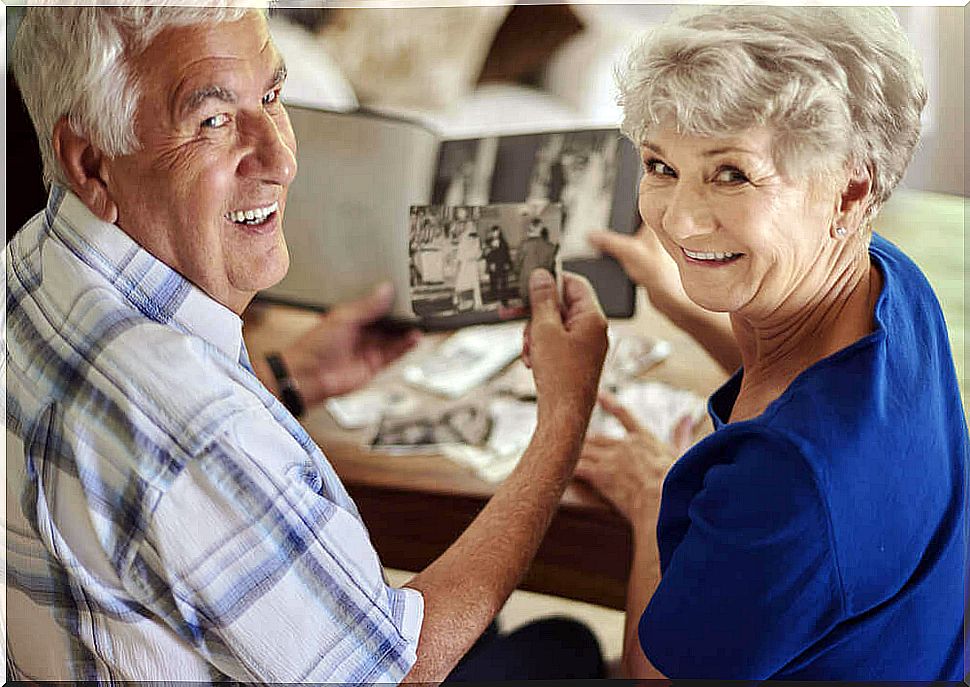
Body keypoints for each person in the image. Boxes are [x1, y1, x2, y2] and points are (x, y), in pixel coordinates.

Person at [6, 7, 610, 683]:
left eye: (270, 97)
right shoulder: (197, 427)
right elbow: (398, 674)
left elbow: (135, 468)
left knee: (478, 621)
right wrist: (564, 421)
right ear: (89, 161)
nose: (283, 159)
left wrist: (292, 375)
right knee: (564, 646)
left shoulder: (27, 261)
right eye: (213, 120)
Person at [580, 6, 968, 681]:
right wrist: (673, 298)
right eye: (660, 165)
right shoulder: (892, 282)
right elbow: (781, 374)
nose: (678, 218)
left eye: (731, 173)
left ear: (850, 191)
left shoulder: (788, 483)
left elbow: (657, 675)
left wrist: (651, 499)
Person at [515, 218, 559, 304]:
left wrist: (518, 276)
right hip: (544, 284)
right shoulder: (550, 247)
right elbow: (551, 267)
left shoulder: (524, 245)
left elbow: (517, 266)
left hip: (527, 283)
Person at [484, 225, 513, 304]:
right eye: (494, 232)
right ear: (492, 232)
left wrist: (508, 264)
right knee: (493, 283)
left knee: (504, 283)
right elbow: (487, 255)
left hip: (502, 264)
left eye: (497, 231)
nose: (495, 233)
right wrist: (490, 264)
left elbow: (506, 254)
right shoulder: (488, 242)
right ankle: (494, 300)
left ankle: (504, 301)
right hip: (493, 265)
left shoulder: (503, 242)